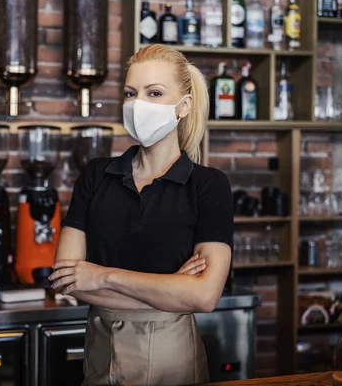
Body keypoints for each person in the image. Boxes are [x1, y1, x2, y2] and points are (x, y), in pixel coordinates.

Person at [49, 44, 234, 386]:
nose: (139, 105)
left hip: (172, 358)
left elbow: (204, 296)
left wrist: (102, 276)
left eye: (155, 93)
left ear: (184, 106)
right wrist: (172, 289)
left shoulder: (209, 186)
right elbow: (67, 279)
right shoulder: (95, 175)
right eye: (131, 93)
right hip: (100, 353)